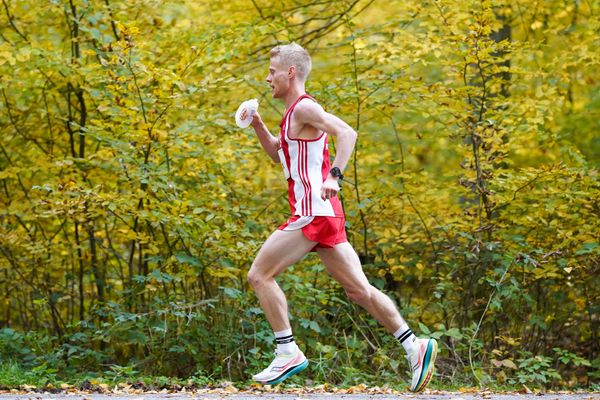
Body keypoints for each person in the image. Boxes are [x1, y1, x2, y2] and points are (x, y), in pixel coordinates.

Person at [246, 42, 437, 392]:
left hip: (313, 212)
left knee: (259, 275)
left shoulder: (305, 107)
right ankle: (415, 346)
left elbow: (347, 132)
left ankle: (287, 350)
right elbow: (279, 154)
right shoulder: (291, 114)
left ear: (290, 73)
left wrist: (335, 174)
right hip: (325, 215)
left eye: (272, 71)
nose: (267, 77)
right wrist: (258, 123)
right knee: (359, 291)